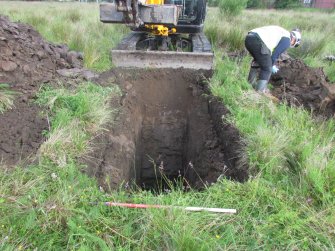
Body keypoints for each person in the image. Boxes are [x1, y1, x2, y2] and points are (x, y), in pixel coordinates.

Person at [245, 26, 301, 92]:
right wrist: (272, 65)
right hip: (258, 41)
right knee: (267, 68)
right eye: (293, 44)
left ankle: (250, 84)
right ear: (294, 40)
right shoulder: (287, 39)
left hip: (249, 38)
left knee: (258, 61)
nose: (290, 45)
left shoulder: (282, 32)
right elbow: (275, 55)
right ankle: (260, 91)